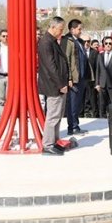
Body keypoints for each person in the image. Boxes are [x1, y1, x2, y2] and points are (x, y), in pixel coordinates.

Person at [37, 16, 69, 156]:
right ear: (53, 27)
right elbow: (51, 67)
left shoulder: (52, 41)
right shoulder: (46, 42)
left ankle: (54, 141)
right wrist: (61, 84)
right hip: (53, 85)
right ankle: (48, 144)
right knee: (53, 116)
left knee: (58, 115)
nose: (61, 32)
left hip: (57, 84)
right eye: (60, 29)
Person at [98, 36, 112, 114]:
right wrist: (97, 84)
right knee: (102, 104)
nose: (108, 45)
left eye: (110, 43)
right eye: (106, 43)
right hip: (102, 83)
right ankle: (101, 119)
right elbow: (98, 70)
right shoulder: (100, 55)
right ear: (103, 44)